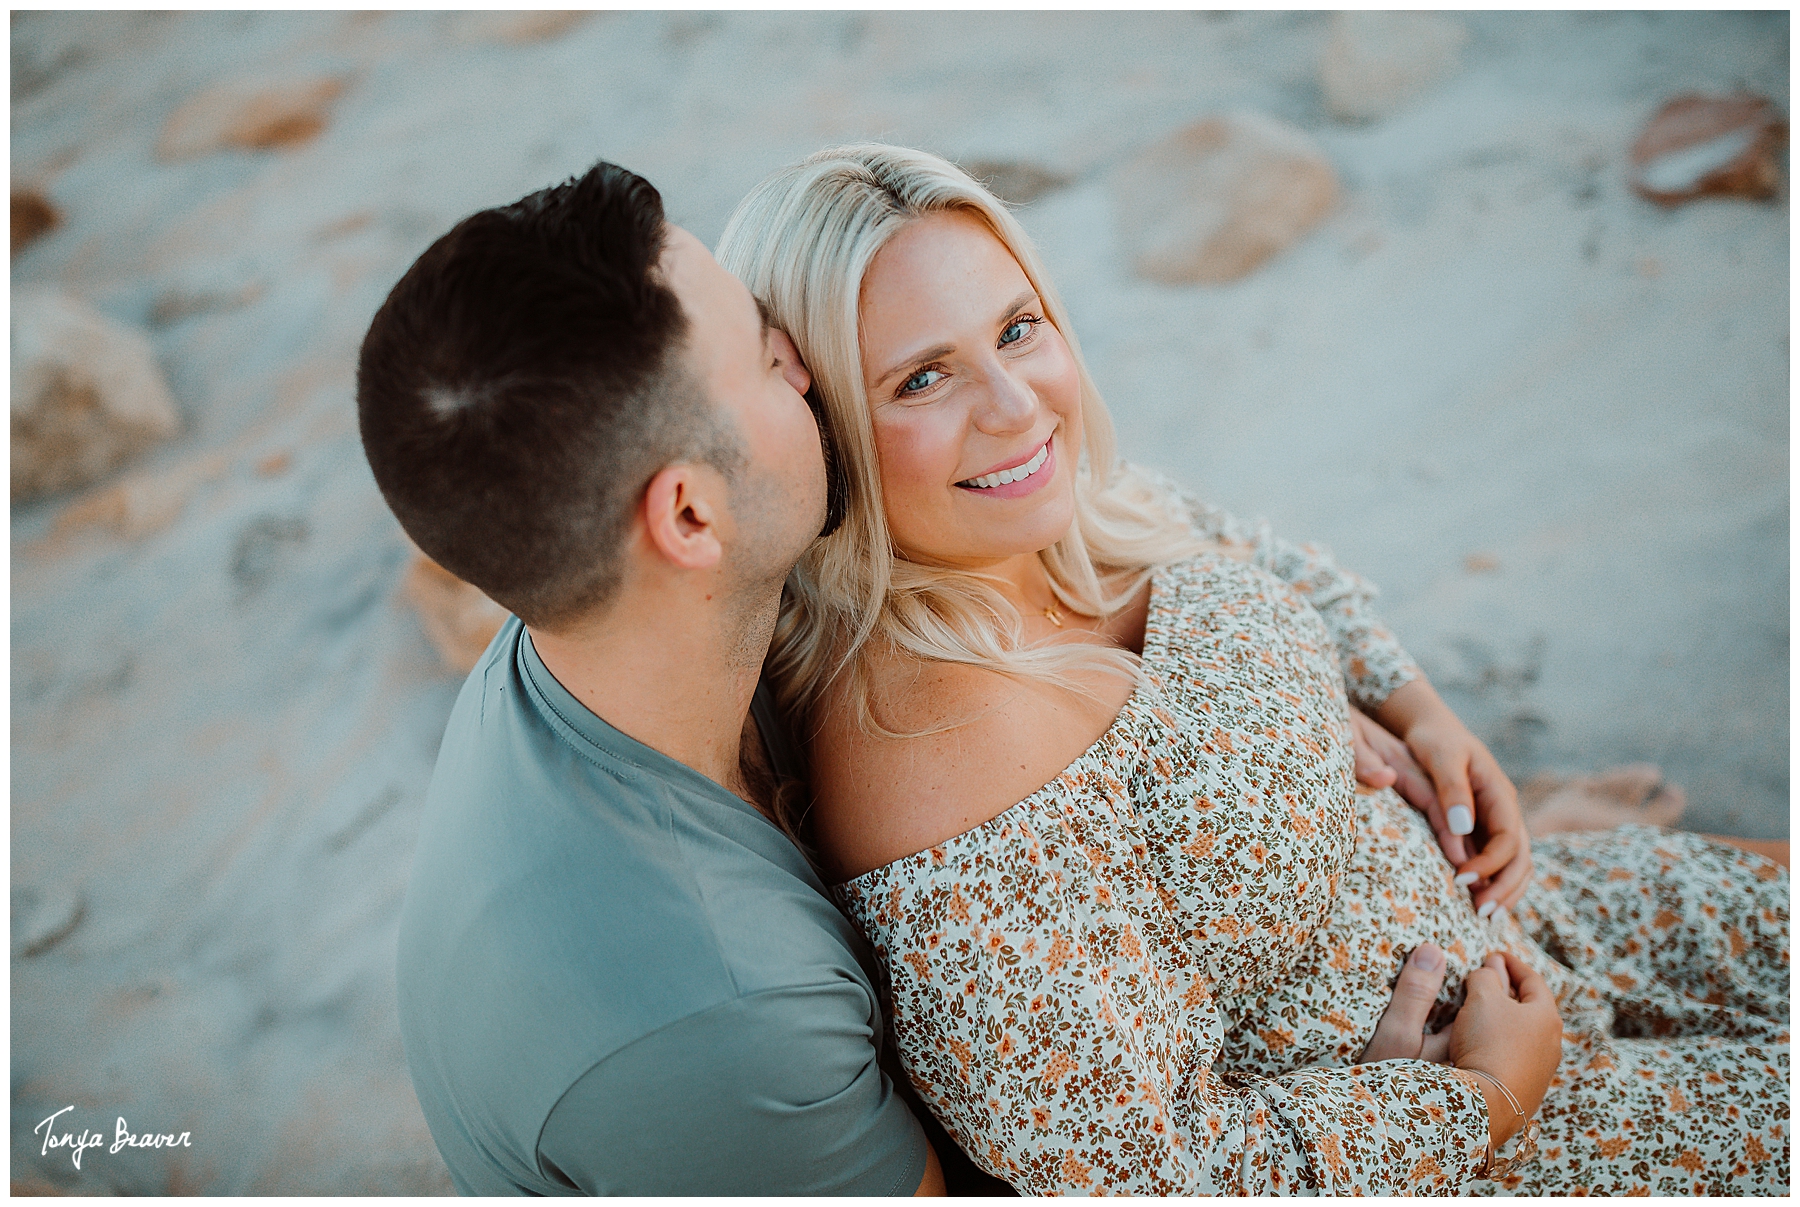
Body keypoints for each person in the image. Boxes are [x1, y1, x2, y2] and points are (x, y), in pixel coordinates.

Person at [361, 160, 1475, 1197]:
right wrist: (1423, 1114)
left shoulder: (597, 618)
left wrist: (1268, 701)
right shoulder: (720, 1012)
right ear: (691, 514)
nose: (803, 362)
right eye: (764, 354)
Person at [714, 142, 1791, 1195]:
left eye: (1018, 327)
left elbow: (1279, 565)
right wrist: (1478, 1101)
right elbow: (1135, 1169)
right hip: (1466, 1139)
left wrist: (1419, 711)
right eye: (923, 377)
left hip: (1528, 918)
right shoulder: (938, 740)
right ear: (826, 435)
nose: (1015, 405)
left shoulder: (1063, 511)